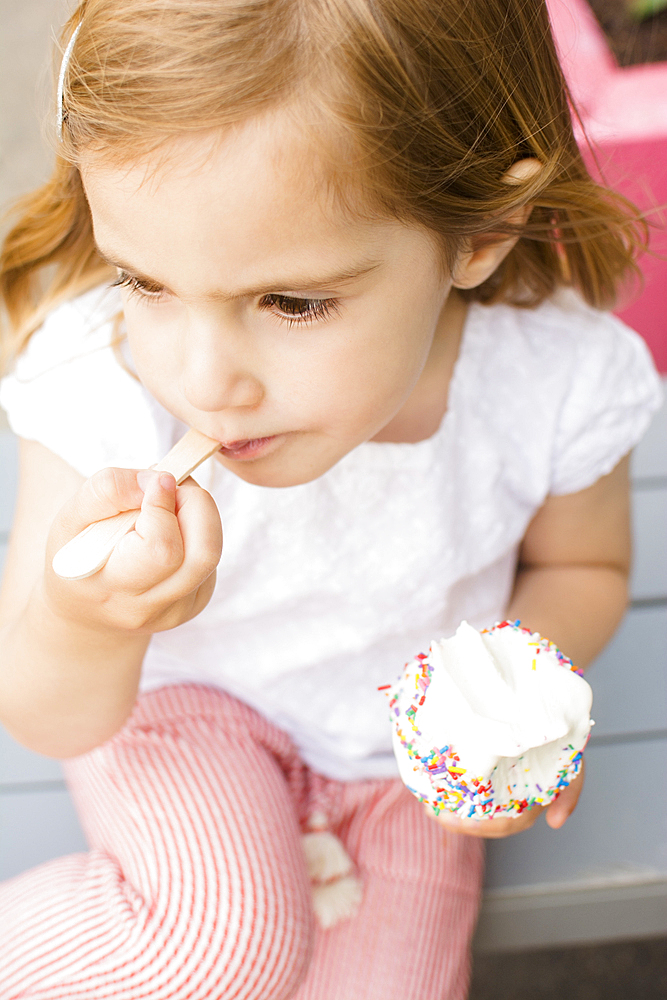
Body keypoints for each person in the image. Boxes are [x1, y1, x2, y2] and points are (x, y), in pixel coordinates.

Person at [0, 0, 661, 997]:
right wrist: (91, 620)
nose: (203, 376)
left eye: (292, 302)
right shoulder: (103, 393)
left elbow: (583, 563)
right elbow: (48, 716)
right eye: (146, 280)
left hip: (400, 762)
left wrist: (509, 700)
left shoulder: (552, 381)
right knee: (216, 948)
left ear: (479, 230)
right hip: (181, 709)